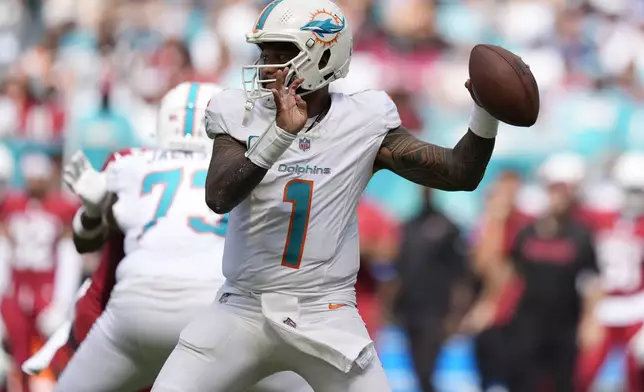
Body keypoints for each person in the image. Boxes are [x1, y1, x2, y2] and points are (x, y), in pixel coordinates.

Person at [152, 0, 501, 391]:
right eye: (264, 50)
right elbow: (219, 195)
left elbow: (460, 173)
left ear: (324, 56)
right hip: (243, 308)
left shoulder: (364, 121)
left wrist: (486, 113)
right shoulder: (237, 112)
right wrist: (280, 135)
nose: (268, 62)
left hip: (326, 310)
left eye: (282, 51)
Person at [51, 82, 311, 392]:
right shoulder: (247, 168)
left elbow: (84, 242)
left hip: (136, 310)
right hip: (216, 308)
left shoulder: (129, 162)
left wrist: (92, 212)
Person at [505, 156, 602, 392]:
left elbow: (592, 280)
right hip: (529, 320)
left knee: (563, 382)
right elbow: (512, 272)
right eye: (554, 191)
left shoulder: (581, 235)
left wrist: (590, 321)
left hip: (565, 323)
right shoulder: (528, 232)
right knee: (526, 380)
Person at [0, 151, 80, 392]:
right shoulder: (11, 205)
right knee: (16, 358)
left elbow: (69, 256)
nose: (34, 181)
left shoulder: (62, 207)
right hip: (17, 289)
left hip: (46, 290)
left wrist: (62, 302)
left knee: (55, 356)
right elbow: (3, 251)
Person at [578, 152, 644, 392]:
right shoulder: (600, 218)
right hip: (604, 306)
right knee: (583, 374)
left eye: (640, 191)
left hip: (637, 307)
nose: (635, 198)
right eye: (631, 190)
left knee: (637, 376)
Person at [394, 188, 470, 392]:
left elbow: (461, 274)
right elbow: (399, 271)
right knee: (417, 371)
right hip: (409, 309)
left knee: (427, 371)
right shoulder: (408, 226)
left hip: (436, 310)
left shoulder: (449, 227)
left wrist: (457, 313)